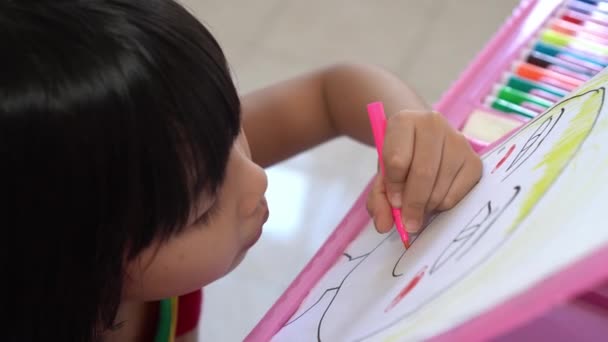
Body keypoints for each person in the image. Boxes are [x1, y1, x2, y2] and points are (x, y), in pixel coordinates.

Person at [0, 0, 482, 341]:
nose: (257, 180)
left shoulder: (152, 159)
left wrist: (409, 129)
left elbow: (332, 92)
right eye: (204, 210)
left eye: (234, 124)